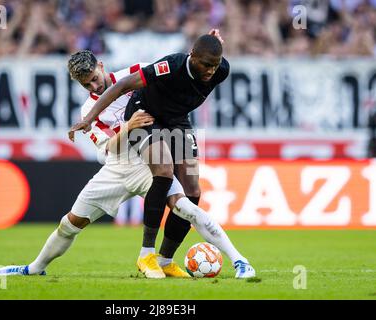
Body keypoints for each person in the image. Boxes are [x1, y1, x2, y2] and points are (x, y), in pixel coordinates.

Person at [0, 50, 255, 279]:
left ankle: (238, 260)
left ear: (101, 65)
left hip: (146, 164)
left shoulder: (134, 73)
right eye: (87, 85)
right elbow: (107, 148)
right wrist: (128, 126)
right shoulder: (89, 111)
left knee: (187, 205)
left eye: (95, 78)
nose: (94, 87)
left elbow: (170, 83)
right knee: (70, 224)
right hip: (117, 168)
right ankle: (35, 267)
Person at [69, 30, 254, 276]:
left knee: (193, 191)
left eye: (215, 64)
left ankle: (165, 259)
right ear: (192, 57)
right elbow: (123, 86)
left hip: (177, 121)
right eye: (206, 64)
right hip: (144, 114)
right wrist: (90, 119)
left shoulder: (221, 70)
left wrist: (210, 46)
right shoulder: (171, 65)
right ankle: (147, 252)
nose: (211, 70)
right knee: (164, 169)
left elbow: (209, 57)